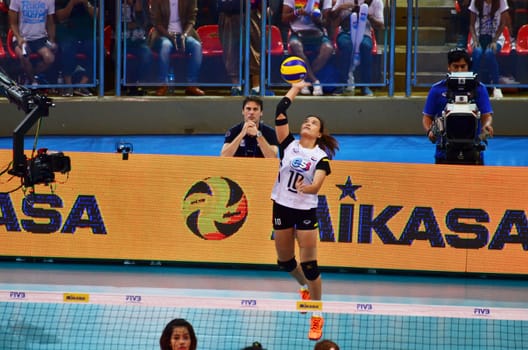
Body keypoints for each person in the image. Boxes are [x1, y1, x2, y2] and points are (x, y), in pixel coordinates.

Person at [271, 80, 339, 341]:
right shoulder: (288, 145)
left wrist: (308, 188)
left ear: (320, 133)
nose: (307, 124)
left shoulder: (320, 157)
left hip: (305, 210)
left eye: (313, 123)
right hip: (281, 205)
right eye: (306, 121)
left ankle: (316, 314)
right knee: (285, 261)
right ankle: (303, 288)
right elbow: (279, 111)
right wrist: (295, 89)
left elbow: (318, 183)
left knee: (310, 264)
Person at [422, 48, 494, 164]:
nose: (459, 70)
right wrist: (429, 131)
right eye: (455, 66)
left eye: (463, 66)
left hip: (473, 151)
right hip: (444, 152)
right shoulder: (436, 89)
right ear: (449, 67)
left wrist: (486, 126)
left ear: (468, 67)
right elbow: (427, 117)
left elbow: (486, 114)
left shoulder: (479, 89)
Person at [149, 0, 205, 96]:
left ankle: (191, 85)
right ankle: (162, 85)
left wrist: (184, 35)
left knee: (196, 46)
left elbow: (191, 20)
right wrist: (169, 36)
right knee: (166, 46)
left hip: (183, 34)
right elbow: (156, 22)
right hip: (162, 34)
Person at [331, 0, 384, 96]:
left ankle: (365, 86)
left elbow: (381, 25)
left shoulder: (376, 2)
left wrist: (366, 15)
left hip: (365, 33)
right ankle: (342, 84)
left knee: (366, 46)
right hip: (345, 32)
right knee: (346, 46)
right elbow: (331, 17)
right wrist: (341, 7)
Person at [281, 0, 333, 96]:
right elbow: (284, 18)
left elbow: (327, 22)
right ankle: (315, 81)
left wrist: (316, 18)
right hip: (297, 32)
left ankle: (304, 80)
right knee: (295, 45)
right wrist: (297, 12)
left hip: (318, 33)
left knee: (328, 48)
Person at [217, 0, 265, 96]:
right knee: (230, 50)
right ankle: (236, 85)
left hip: (250, 14)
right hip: (228, 15)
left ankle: (256, 87)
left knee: (253, 49)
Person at [55, 0, 97, 97]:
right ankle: (68, 86)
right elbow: (60, 17)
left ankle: (82, 85)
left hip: (87, 35)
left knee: (99, 51)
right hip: (68, 34)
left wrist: (86, 3)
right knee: (67, 49)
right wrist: (72, 3)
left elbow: (98, 16)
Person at [8, 0, 56, 86]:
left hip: (40, 38)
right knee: (24, 56)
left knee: (49, 58)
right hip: (22, 37)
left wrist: (51, 39)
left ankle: (30, 74)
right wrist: (19, 38)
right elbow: (13, 23)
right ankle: (33, 81)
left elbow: (51, 23)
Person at [468, 0, 510, 98]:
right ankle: (472, 86)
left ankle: (496, 86)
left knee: (489, 53)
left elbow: (503, 24)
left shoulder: (501, 1)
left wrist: (494, 41)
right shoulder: (475, 2)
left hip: (496, 38)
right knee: (477, 53)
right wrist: (474, 39)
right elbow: (471, 25)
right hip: (478, 37)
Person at [123, 0, 153, 95]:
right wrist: (127, 25)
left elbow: (147, 22)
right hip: (121, 40)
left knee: (147, 54)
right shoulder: (117, 4)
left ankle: (137, 84)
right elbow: (112, 21)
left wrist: (138, 11)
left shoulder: (142, 2)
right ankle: (125, 84)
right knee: (120, 56)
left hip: (139, 41)